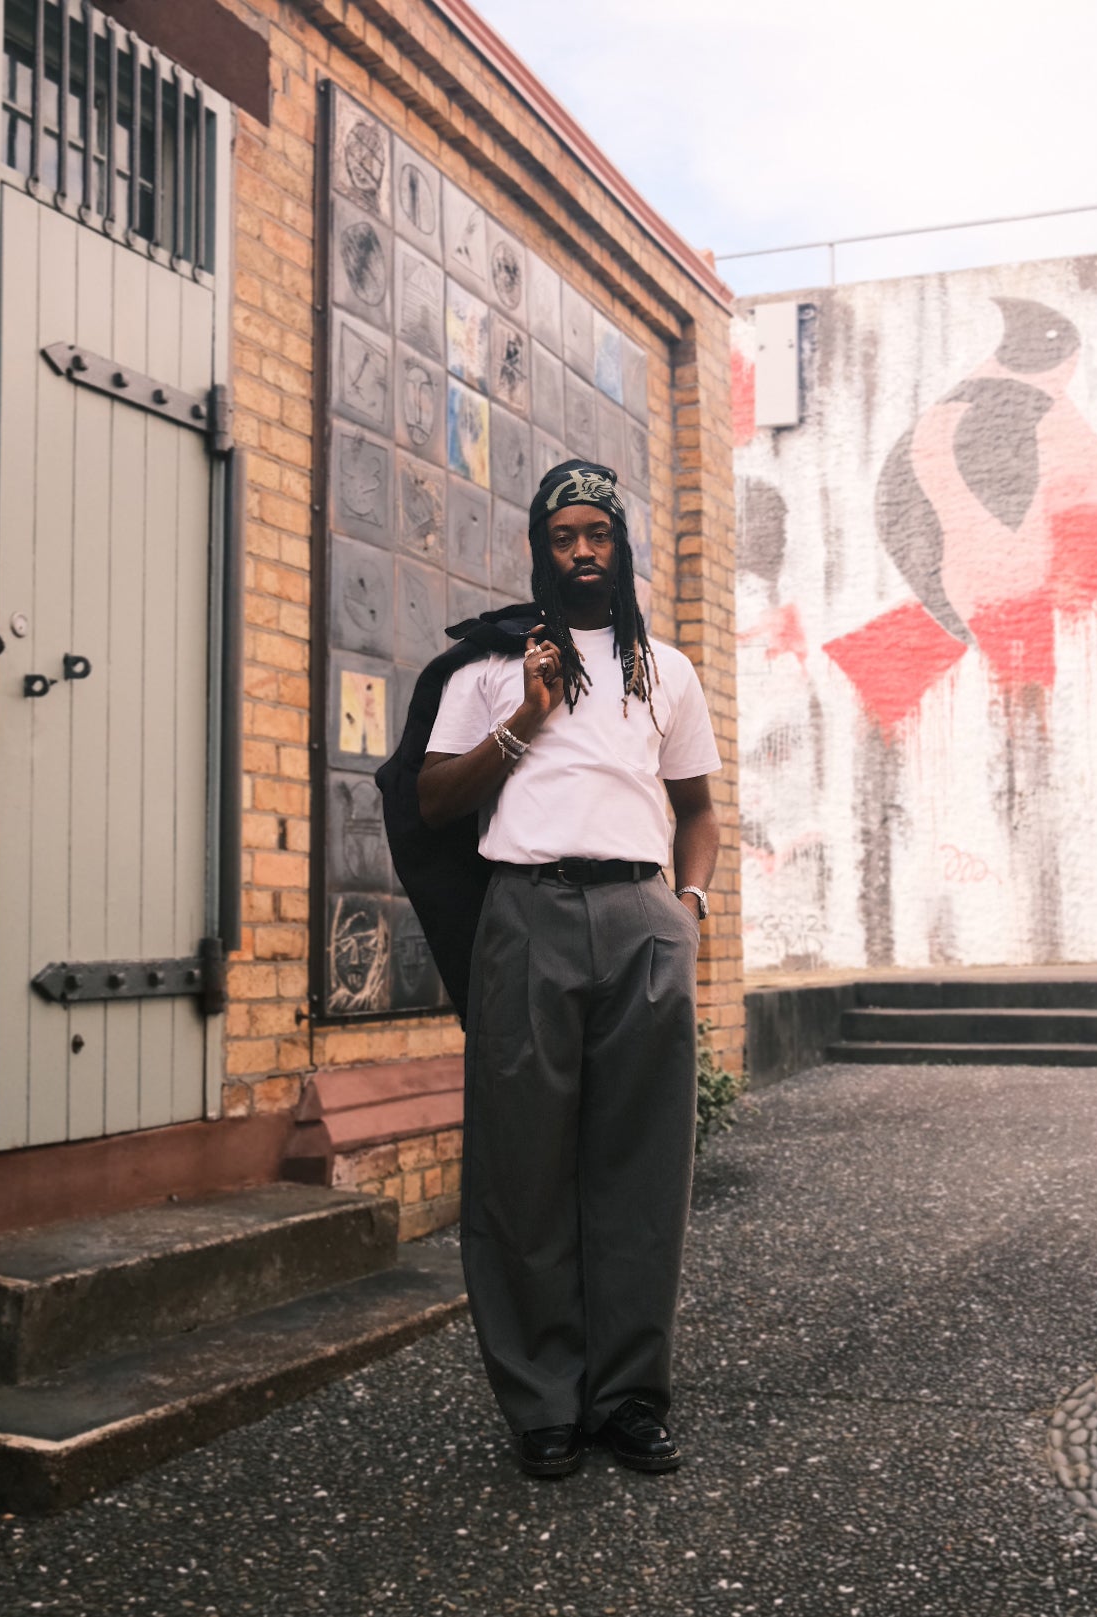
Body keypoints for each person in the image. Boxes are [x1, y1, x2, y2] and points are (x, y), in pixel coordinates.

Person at [418, 459, 721, 1477]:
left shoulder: (666, 671)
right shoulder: (489, 669)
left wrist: (687, 908)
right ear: (540, 550)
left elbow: (699, 810)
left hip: (642, 916)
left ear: (620, 544)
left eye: (598, 534)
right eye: (563, 537)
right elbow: (434, 803)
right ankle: (542, 1402)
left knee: (641, 1169)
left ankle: (628, 1398)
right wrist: (528, 719)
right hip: (527, 915)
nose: (582, 551)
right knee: (521, 1171)